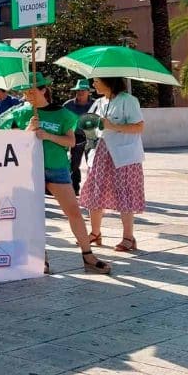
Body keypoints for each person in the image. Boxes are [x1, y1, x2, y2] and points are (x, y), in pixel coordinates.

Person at [2, 73, 110, 275]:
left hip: (57, 167)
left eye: (32, 91)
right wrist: (28, 130)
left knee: (73, 212)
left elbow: (71, 142)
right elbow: (11, 143)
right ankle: (40, 258)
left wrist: (48, 135)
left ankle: (88, 255)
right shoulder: (20, 113)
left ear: (43, 90)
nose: (28, 95)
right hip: (28, 169)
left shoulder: (62, 113)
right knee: (33, 215)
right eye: (26, 92)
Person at [80, 77, 146, 252]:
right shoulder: (99, 102)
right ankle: (95, 233)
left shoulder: (128, 101)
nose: (93, 84)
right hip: (101, 152)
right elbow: (93, 126)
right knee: (95, 190)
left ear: (108, 81)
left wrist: (113, 126)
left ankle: (128, 237)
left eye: (96, 81)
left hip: (124, 156)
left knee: (125, 192)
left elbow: (139, 127)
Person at [63, 79, 96, 195]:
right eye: (78, 90)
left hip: (92, 137)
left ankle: (92, 190)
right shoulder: (68, 105)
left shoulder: (96, 104)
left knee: (92, 163)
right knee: (74, 163)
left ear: (88, 92)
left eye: (83, 90)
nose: (80, 92)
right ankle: (74, 187)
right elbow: (62, 120)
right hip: (75, 136)